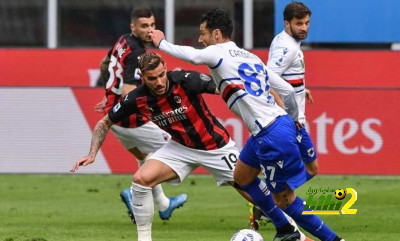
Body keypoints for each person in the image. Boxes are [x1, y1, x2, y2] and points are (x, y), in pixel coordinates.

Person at [150, 8, 344, 241]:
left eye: (203, 33)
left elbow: (192, 56)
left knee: (285, 199)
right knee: (241, 177)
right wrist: (293, 119)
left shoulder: (218, 53)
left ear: (217, 34)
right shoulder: (250, 57)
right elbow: (288, 91)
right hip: (271, 127)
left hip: (270, 133)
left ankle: (333, 239)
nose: (200, 39)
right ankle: (284, 229)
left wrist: (161, 43)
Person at [71, 52, 301, 241]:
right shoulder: (136, 98)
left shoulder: (185, 79)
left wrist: (267, 99)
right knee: (140, 180)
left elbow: (228, 89)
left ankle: (294, 231)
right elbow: (105, 122)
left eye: (162, 75)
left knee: (255, 192)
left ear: (166, 68)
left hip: (216, 146)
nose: (160, 82)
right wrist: (92, 153)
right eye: (152, 78)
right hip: (180, 148)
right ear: (143, 78)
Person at [94, 7, 187, 224]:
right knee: (182, 149)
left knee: (145, 157)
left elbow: (104, 64)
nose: (150, 30)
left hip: (115, 118)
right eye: (144, 26)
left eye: (152, 25)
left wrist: (109, 94)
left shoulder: (122, 40)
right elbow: (128, 92)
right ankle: (134, 194)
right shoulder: (138, 53)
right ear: (133, 27)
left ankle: (163, 205)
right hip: (131, 121)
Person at [250, 1, 319, 230]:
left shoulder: (289, 42)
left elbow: (286, 78)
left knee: (302, 168)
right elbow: (268, 78)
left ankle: (272, 202)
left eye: (307, 23)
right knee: (311, 168)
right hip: (290, 122)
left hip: (291, 119)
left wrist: (301, 89)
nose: (304, 28)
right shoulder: (287, 47)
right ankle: (277, 202)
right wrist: (285, 111)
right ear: (287, 23)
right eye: (299, 23)